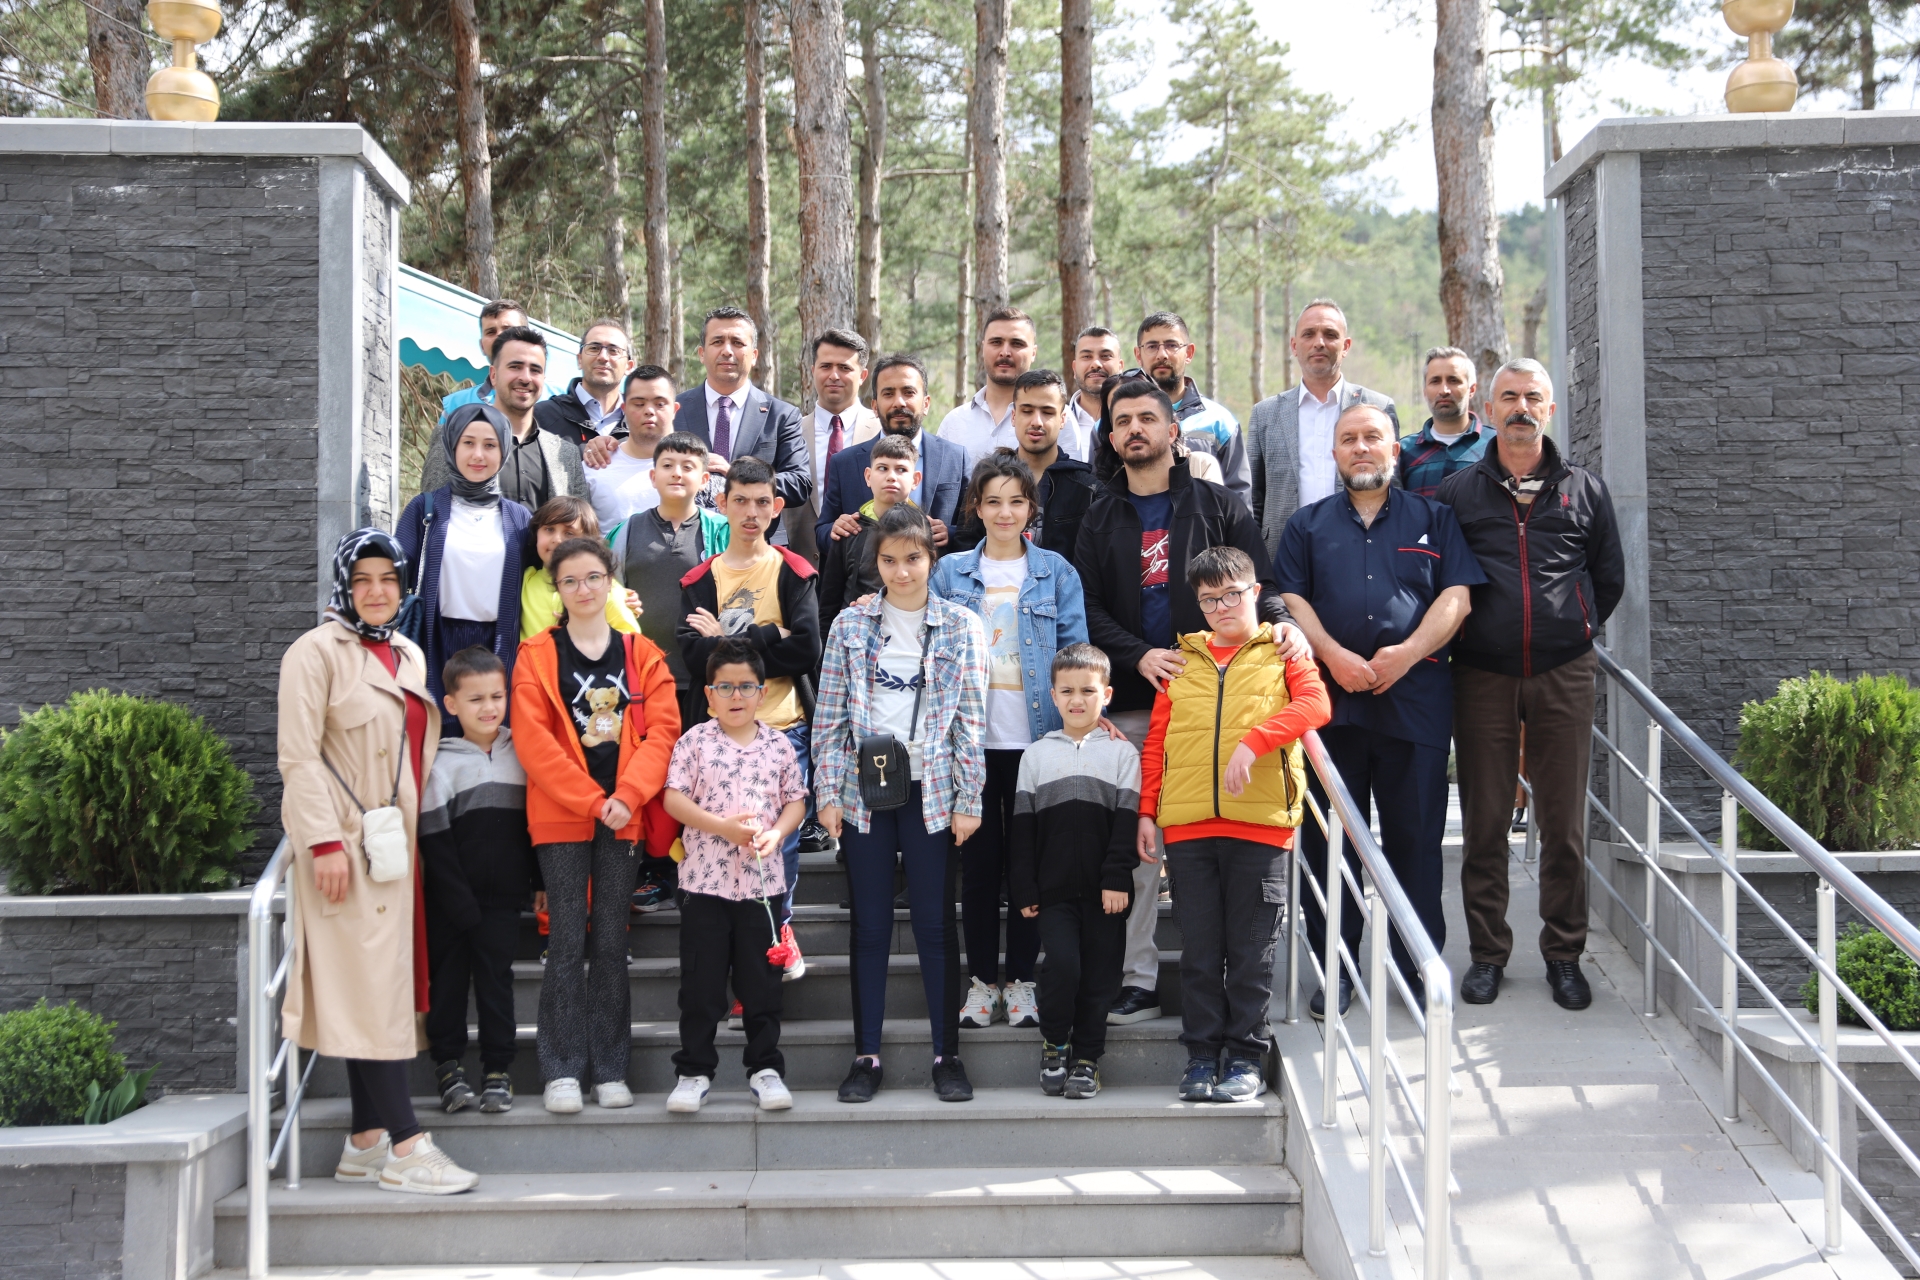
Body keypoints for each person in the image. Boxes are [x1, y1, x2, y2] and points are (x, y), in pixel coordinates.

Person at [1074, 377, 1305, 1027]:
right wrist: (1138, 654)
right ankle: (1139, 978)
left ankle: (1238, 985)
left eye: (1148, 418)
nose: (1135, 430)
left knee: (1220, 850)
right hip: (1133, 699)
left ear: (1174, 431)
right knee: (1140, 849)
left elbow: (1257, 582)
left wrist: (1285, 625)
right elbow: (1085, 606)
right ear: (1112, 436)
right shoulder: (1098, 514)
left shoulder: (1218, 505)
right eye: (1123, 421)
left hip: (1216, 700)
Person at [278, 528, 478, 1194]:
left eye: (388, 579)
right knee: (368, 990)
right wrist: (323, 842)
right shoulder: (313, 654)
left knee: (380, 990)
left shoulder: (410, 657)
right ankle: (406, 1146)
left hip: (393, 847)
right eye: (362, 579)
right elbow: (299, 757)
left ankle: (366, 1139)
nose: (376, 592)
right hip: (343, 848)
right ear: (344, 585)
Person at [1276, 404, 1484, 1018]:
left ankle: (1416, 966)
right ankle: (1334, 971)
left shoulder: (1435, 519)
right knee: (1330, 843)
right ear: (1334, 453)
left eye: (1373, 437)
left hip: (1414, 703)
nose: (1361, 447)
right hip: (1330, 707)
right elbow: (1290, 596)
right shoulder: (1306, 525)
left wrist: (1409, 653)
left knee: (1416, 840)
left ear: (1396, 449)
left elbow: (1458, 597)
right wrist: (1333, 655)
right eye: (1349, 439)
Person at [1437, 358, 1624, 1012]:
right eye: (1508, 397)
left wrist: (1572, 628)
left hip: (1563, 671)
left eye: (1532, 397)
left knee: (1563, 823)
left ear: (1549, 409)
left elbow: (1608, 580)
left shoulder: (1585, 491)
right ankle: (1488, 954)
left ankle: (1564, 953)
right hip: (1483, 675)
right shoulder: (1457, 493)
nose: (1520, 407)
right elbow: (1443, 582)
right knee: (1485, 822)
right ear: (1489, 411)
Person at [1138, 546, 1332, 1101]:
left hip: (1261, 825)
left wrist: (1255, 741)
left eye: (1231, 594)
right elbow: (1158, 745)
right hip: (1190, 827)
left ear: (1254, 592)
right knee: (1200, 952)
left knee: (1252, 952)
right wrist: (1147, 811)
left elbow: (1316, 705)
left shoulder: (1282, 650)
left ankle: (1246, 1057)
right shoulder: (1182, 660)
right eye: (1208, 599)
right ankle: (1201, 1057)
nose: (1221, 607)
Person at [814, 504, 988, 1104]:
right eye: (888, 560)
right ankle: (866, 1056)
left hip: (933, 789)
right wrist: (828, 792)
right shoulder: (850, 626)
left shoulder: (961, 626)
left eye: (913, 558)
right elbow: (829, 718)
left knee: (937, 923)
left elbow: (970, 718)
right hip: (864, 790)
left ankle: (946, 1056)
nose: (902, 571)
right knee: (870, 924)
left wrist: (971, 796)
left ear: (931, 559)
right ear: (875, 563)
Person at [513, 536, 680, 1113]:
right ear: (556, 590)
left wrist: (628, 796)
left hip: (626, 816)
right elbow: (533, 743)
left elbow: (663, 733)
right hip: (562, 817)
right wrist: (591, 800)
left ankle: (610, 1068)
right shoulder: (535, 654)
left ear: (610, 581)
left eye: (592, 578)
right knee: (564, 940)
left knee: (611, 941)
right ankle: (560, 1069)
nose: (583, 590)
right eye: (570, 581)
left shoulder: (643, 654)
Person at [930, 450, 1089, 1030]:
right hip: (971, 744)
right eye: (992, 501)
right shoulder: (948, 573)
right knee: (979, 866)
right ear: (976, 506)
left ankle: (1021, 980)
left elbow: (1074, 656)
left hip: (1037, 742)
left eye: (1015, 501)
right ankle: (980, 982)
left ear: (1031, 508)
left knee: (1030, 869)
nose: (1004, 512)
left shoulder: (1055, 572)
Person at [678, 456, 822, 968]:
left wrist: (728, 639)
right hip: (719, 739)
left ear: (777, 507)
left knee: (774, 849)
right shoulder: (699, 578)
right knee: (725, 843)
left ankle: (775, 945)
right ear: (721, 503)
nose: (752, 512)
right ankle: (738, 957)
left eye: (763, 502)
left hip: (784, 731)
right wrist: (766, 637)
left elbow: (806, 649)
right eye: (740, 500)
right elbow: (694, 657)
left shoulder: (794, 571)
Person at [660, 638, 809, 1114]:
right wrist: (721, 827)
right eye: (725, 687)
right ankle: (693, 1071)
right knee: (701, 986)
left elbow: (795, 801)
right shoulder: (694, 742)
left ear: (762, 693)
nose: (736, 695)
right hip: (705, 883)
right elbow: (674, 798)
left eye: (746, 686)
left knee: (761, 984)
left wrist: (777, 833)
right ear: (709, 695)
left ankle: (764, 1069)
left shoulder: (779, 745)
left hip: (762, 887)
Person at [1009, 644, 1140, 1099]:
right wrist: (1024, 884)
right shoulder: (1037, 756)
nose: (1077, 700)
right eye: (1067, 691)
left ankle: (1086, 1058)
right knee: (1062, 965)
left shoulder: (1123, 756)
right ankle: (1055, 1041)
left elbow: (1126, 824)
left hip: (1108, 893)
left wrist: (1117, 877)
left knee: (1101, 976)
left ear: (1106, 693)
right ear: (1052, 695)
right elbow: (1022, 829)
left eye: (1088, 690)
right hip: (1054, 892)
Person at [420, 646, 536, 1116]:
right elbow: (434, 839)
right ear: (450, 704)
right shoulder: (439, 762)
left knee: (496, 983)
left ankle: (497, 1071)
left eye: (497, 696)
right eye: (475, 700)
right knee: (447, 985)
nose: (489, 708)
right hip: (448, 901)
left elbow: (532, 827)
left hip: (503, 901)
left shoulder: (522, 752)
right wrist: (457, 901)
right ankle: (448, 1069)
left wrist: (536, 880)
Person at [397, 404, 533, 717]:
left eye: (490, 445)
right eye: (468, 443)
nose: (478, 455)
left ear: (504, 451)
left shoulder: (519, 517)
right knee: (435, 729)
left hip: (498, 643)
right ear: (452, 446)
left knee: (492, 731)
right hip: (436, 638)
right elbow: (394, 571)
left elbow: (545, 577)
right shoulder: (424, 510)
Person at [1246, 298, 1399, 561]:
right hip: (1281, 557)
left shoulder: (1379, 407)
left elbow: (1392, 489)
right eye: (1309, 334)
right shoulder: (1265, 414)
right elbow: (1254, 499)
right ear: (1294, 345)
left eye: (1330, 334)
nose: (1319, 342)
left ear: (1345, 346)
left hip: (1361, 554)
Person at [609, 432, 733, 729]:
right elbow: (605, 590)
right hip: (640, 676)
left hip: (703, 677)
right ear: (653, 476)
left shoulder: (723, 531)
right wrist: (617, 598)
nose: (677, 473)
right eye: (667, 466)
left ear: (705, 480)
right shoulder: (623, 533)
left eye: (687, 466)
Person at [670, 307, 811, 544]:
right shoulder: (675, 410)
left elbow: (799, 483)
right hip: (684, 545)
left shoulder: (781, 415)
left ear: (754, 355)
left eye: (737, 342)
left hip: (758, 548)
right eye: (717, 342)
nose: (727, 351)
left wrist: (737, 475)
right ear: (702, 353)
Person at [421, 328, 589, 510]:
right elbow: (430, 515)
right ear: (493, 375)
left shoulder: (567, 455)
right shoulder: (453, 437)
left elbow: (578, 529)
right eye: (515, 367)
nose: (525, 378)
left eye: (535, 370)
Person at [816, 353, 968, 551]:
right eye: (888, 394)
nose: (899, 403)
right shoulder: (845, 463)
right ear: (875, 406)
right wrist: (836, 530)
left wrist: (950, 533)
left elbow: (972, 530)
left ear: (926, 404)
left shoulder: (956, 458)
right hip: (866, 580)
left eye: (909, 392)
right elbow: (822, 532)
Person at [949, 369, 1097, 561]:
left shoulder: (1086, 488)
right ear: (1013, 416)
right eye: (1027, 411)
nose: (1036, 422)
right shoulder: (987, 478)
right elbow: (965, 549)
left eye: (1047, 412)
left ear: (1062, 419)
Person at [1130, 311, 1250, 502]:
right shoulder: (1120, 423)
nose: (1162, 354)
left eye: (1171, 345)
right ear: (1138, 354)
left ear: (1189, 353)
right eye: (1152, 346)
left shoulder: (1220, 422)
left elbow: (1239, 499)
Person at [790, 328, 883, 563]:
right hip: (802, 568)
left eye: (844, 368)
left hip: (866, 568)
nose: (834, 375)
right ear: (812, 372)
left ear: (862, 376)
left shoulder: (883, 433)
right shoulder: (790, 433)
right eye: (825, 366)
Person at [819, 434, 918, 640]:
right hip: (854, 640)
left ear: (915, 479)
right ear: (868, 476)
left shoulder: (926, 533)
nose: (892, 476)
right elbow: (828, 605)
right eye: (882, 468)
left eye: (901, 469)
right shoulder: (849, 531)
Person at [518, 496, 640, 641]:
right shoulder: (525, 580)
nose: (557, 539)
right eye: (549, 529)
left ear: (587, 541)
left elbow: (631, 637)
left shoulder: (604, 587)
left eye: (569, 533)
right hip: (532, 663)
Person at [936, 307, 1040, 464]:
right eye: (996, 342)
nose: (1005, 352)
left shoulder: (1054, 420)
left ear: (1033, 352)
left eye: (1017, 343)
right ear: (982, 349)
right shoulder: (954, 423)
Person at [585, 365, 677, 531]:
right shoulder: (596, 466)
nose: (649, 411)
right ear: (624, 409)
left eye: (660, 404)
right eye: (639, 404)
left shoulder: (694, 469)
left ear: (675, 410)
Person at [1398, 346, 1493, 498]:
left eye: (1453, 380)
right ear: (1425, 391)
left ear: (1472, 389)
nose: (1444, 390)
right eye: (1435, 381)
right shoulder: (1403, 451)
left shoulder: (1495, 446)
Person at [535, 319, 635, 450]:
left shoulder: (642, 423)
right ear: (579, 360)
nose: (603, 357)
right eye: (594, 348)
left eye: (613, 350)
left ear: (629, 366)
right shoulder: (541, 417)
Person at [439, 299, 526, 425]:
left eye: (507, 329)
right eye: (491, 332)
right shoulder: (455, 406)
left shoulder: (555, 399)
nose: (499, 337)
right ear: (482, 346)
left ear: (527, 338)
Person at [1067, 326, 1126, 464]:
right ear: (1074, 368)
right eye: (1087, 356)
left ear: (1120, 366)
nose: (1096, 364)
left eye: (1105, 356)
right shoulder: (1057, 424)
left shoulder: (1137, 423)